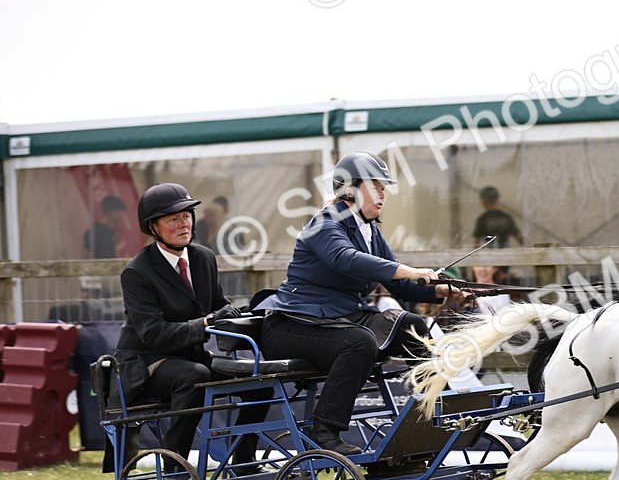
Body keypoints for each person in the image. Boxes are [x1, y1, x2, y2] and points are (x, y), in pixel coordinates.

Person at [257, 152, 470, 456]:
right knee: (358, 343)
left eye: (384, 188)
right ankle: (325, 430)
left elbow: (400, 286)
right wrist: (409, 270)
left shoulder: (371, 232)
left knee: (412, 325)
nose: (383, 194)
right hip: (294, 323)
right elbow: (345, 259)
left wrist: (444, 292)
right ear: (349, 189)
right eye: (376, 186)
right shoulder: (323, 223)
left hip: (340, 318)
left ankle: (438, 412)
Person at [113, 184, 265, 462]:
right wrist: (206, 321)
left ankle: (243, 459)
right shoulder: (137, 272)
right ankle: (175, 466)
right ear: (153, 227)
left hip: (193, 358)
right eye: (173, 219)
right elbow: (153, 334)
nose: (184, 223)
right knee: (194, 376)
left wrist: (254, 311)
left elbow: (218, 304)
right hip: (147, 364)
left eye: (187, 215)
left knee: (261, 381)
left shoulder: (203, 257)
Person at [83, 194, 126, 259]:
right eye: (120, 212)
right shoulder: (95, 231)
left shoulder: (111, 231)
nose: (121, 216)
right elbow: (86, 255)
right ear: (113, 211)